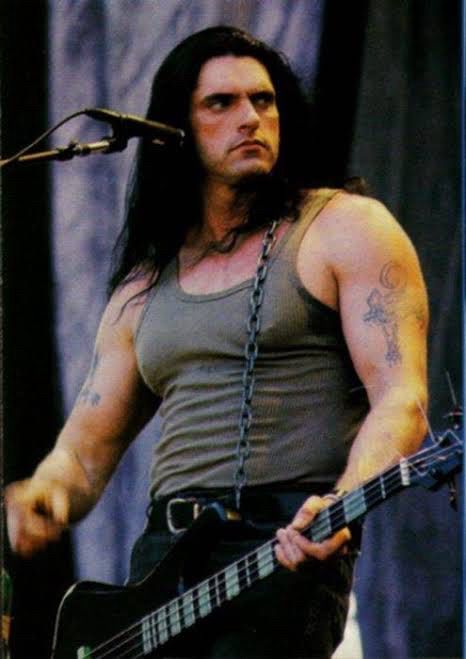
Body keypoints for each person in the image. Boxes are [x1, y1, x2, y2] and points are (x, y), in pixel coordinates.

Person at [5, 26, 428, 658]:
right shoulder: (143, 285)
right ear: (174, 130)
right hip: (163, 566)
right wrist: (45, 494)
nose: (250, 118)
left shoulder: (345, 228)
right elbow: (85, 455)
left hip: (285, 546)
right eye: (221, 103)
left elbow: (402, 400)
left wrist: (343, 503)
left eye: (263, 100)